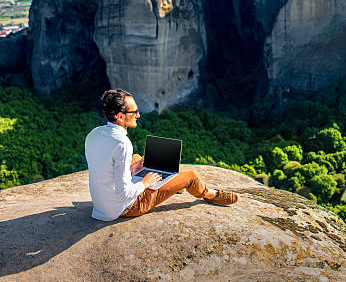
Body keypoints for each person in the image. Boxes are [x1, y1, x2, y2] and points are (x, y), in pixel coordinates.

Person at [84, 88, 238, 221]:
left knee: (138, 159)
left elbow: (105, 169)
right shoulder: (122, 144)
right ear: (120, 116)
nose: (138, 115)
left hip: (101, 205)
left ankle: (169, 185)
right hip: (124, 208)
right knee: (191, 176)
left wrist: (133, 168)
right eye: (134, 112)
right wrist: (145, 183)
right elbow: (123, 194)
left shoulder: (94, 134)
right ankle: (209, 194)